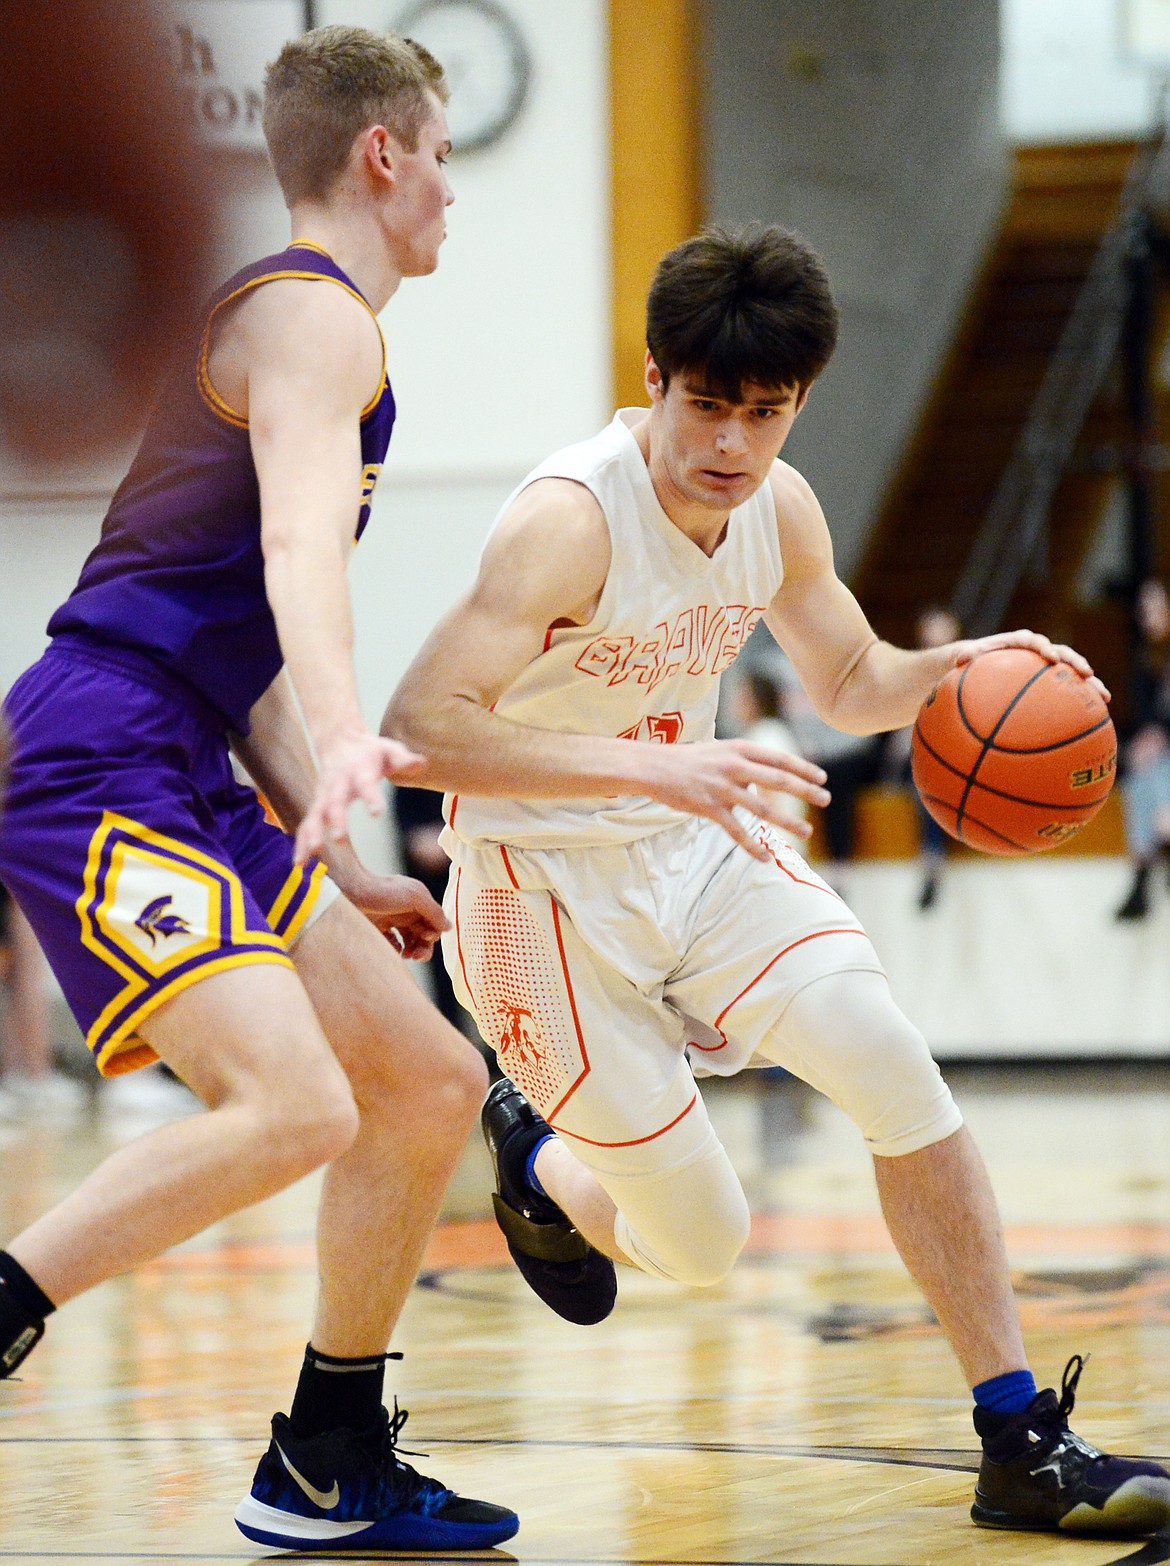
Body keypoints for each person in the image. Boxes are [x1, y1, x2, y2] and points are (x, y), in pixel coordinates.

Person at [384, 224, 1170, 1540]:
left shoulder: (779, 507)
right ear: (653, 377)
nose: (731, 446)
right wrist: (655, 773)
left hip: (697, 846)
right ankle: (532, 1149)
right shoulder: (567, 522)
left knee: (889, 1061)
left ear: (798, 401)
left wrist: (975, 662)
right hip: (533, 892)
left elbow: (850, 680)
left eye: (764, 413)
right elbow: (424, 723)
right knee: (699, 1241)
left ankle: (1017, 1435)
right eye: (705, 406)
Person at [0, 25, 516, 1555]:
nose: (446, 191)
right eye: (438, 154)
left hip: (187, 745)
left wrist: (338, 848)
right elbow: (298, 563)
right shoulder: (314, 322)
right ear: (381, 154)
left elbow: (247, 643)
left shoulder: (305, 328)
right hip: (101, 755)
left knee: (419, 1087)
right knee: (292, 1103)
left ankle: (324, 1457)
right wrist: (359, 729)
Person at [882, 605, 962, 910]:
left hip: (957, 757)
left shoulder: (967, 672)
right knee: (925, 781)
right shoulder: (916, 672)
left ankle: (934, 858)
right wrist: (888, 773)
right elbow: (903, 731)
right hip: (923, 759)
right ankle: (931, 861)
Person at [1115, 578, 1170, 921]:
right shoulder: (1144, 659)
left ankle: (1142, 876)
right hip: (1158, 757)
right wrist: (1149, 739)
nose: (1147, 615)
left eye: (1154, 607)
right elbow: (1144, 717)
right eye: (1143, 609)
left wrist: (1160, 735)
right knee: (1139, 772)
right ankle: (1159, 841)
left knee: (1151, 769)